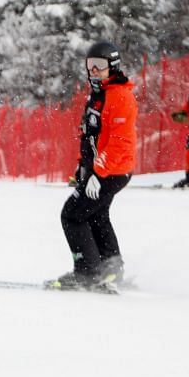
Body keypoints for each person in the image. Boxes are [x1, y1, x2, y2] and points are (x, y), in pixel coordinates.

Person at [50, 40, 137, 291]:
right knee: (96, 215)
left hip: (113, 170)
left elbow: (119, 142)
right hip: (102, 169)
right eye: (90, 66)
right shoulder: (99, 94)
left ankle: (87, 272)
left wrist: (98, 172)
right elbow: (90, 137)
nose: (94, 71)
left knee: (72, 215)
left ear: (113, 66)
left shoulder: (119, 96)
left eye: (100, 65)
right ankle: (109, 266)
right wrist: (83, 168)